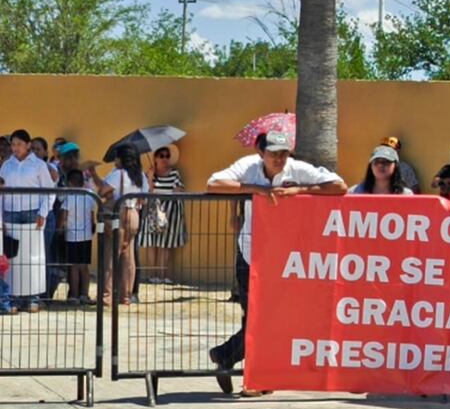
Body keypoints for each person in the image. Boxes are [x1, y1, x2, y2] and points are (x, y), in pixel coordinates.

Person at [206, 132, 346, 395]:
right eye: (273, 153)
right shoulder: (248, 166)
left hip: (286, 256)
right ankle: (253, 376)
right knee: (259, 317)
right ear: (262, 153)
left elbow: (339, 186)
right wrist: (257, 189)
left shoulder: (298, 169)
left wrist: (301, 190)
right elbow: (214, 184)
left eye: (283, 153)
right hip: (251, 254)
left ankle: (232, 359)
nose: (279, 158)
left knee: (271, 318)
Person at [0, 129, 55, 313]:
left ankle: (33, 297)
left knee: (33, 255)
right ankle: (13, 297)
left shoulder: (39, 165)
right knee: (13, 256)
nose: (15, 148)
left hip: (33, 213)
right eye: (13, 145)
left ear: (28, 145)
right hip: (11, 213)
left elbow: (49, 191)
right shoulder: (6, 166)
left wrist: (43, 212)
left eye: (19, 144)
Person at [94, 143, 149, 305]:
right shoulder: (140, 175)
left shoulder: (118, 174)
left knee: (111, 255)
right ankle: (126, 295)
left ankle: (106, 295)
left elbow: (102, 191)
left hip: (117, 214)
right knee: (128, 256)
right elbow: (144, 198)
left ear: (122, 158)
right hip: (134, 214)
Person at [137, 146, 188, 284]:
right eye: (162, 156)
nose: (165, 159)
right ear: (155, 158)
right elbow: (148, 192)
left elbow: (179, 189)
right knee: (152, 243)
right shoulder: (148, 174)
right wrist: (150, 178)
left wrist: (176, 191)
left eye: (167, 156)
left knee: (166, 243)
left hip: (170, 211)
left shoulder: (174, 173)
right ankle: (153, 275)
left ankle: (163, 275)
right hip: (153, 210)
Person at [59, 169, 96, 304]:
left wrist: (60, 228)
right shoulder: (90, 195)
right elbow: (92, 216)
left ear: (69, 182)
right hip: (86, 235)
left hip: (72, 235)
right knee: (84, 266)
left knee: (74, 266)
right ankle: (84, 294)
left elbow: (64, 216)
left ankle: (74, 295)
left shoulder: (69, 197)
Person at [350, 145, 415, 195]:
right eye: (376, 162)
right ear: (371, 166)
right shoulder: (354, 192)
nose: (380, 165)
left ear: (395, 166)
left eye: (386, 162)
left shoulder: (405, 195)